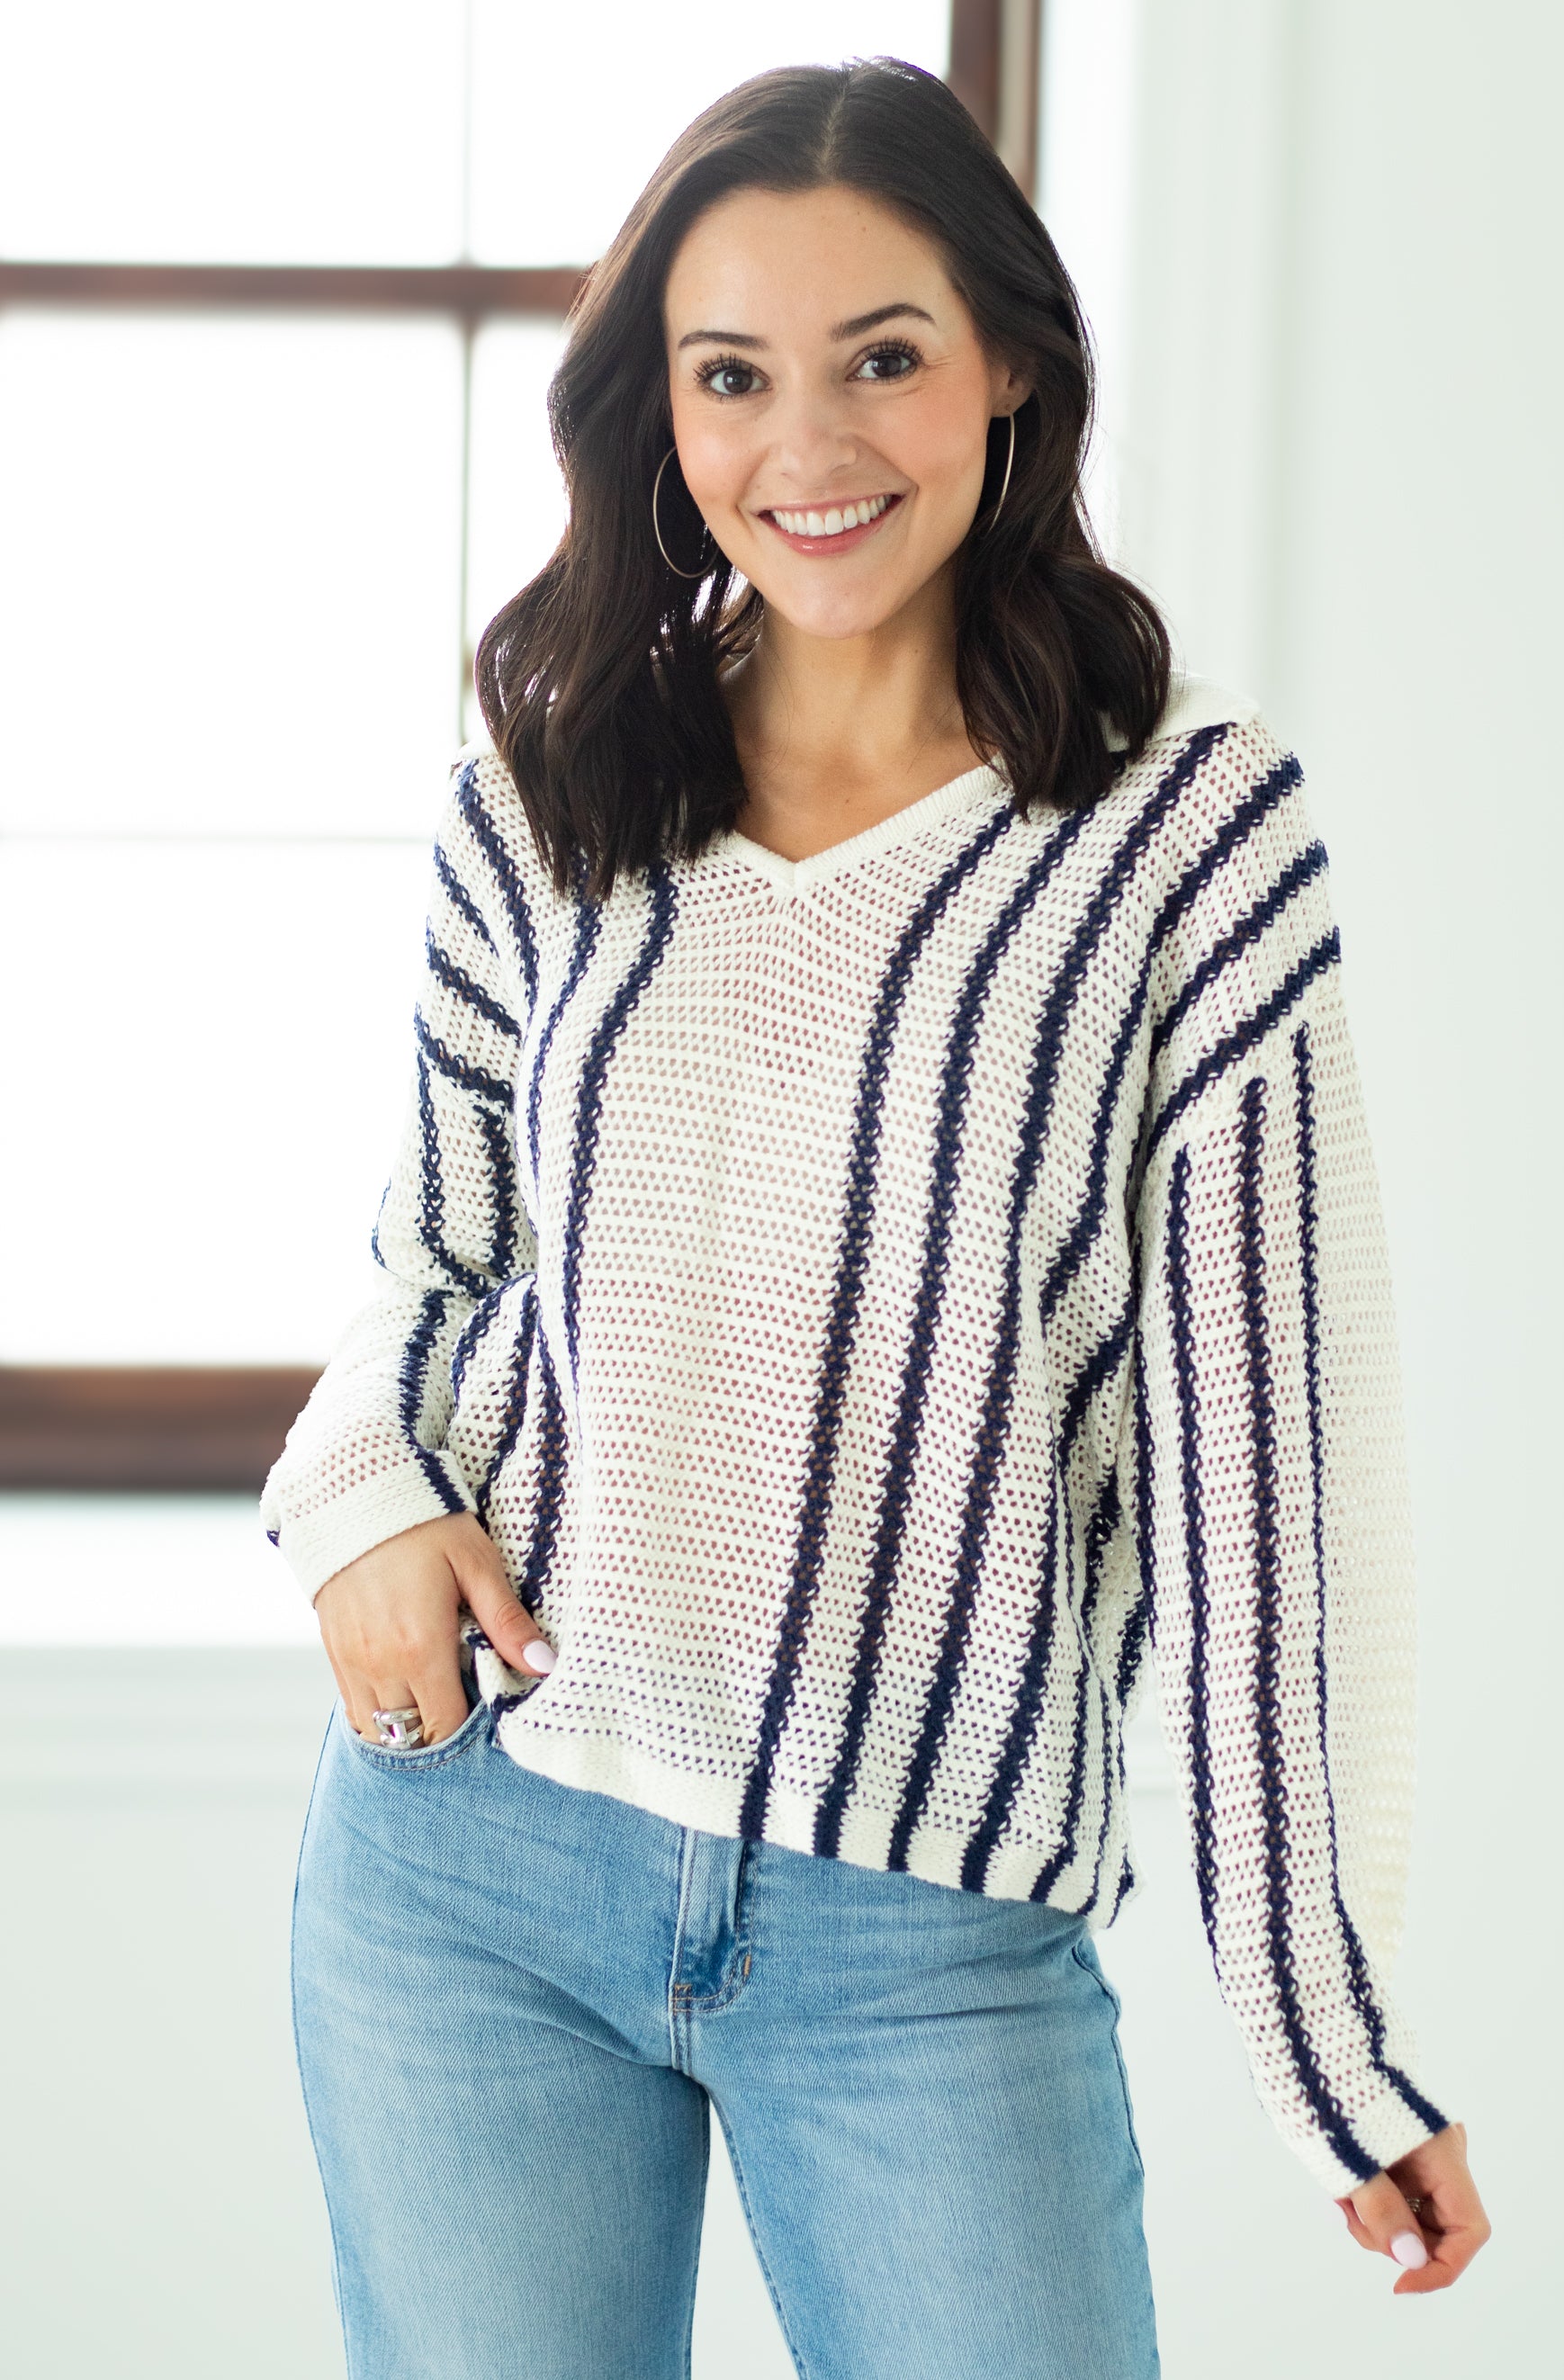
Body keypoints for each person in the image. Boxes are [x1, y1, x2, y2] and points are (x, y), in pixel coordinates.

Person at [263, 56, 1490, 2380]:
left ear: (1008, 361)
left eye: (882, 358)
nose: (806, 448)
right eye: (731, 376)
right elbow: (437, 1271)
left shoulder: (1189, 838)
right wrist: (352, 1500)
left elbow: (1268, 1470)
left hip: (924, 1934)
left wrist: (1319, 2025)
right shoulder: (552, 772)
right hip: (467, 1868)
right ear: (659, 410)